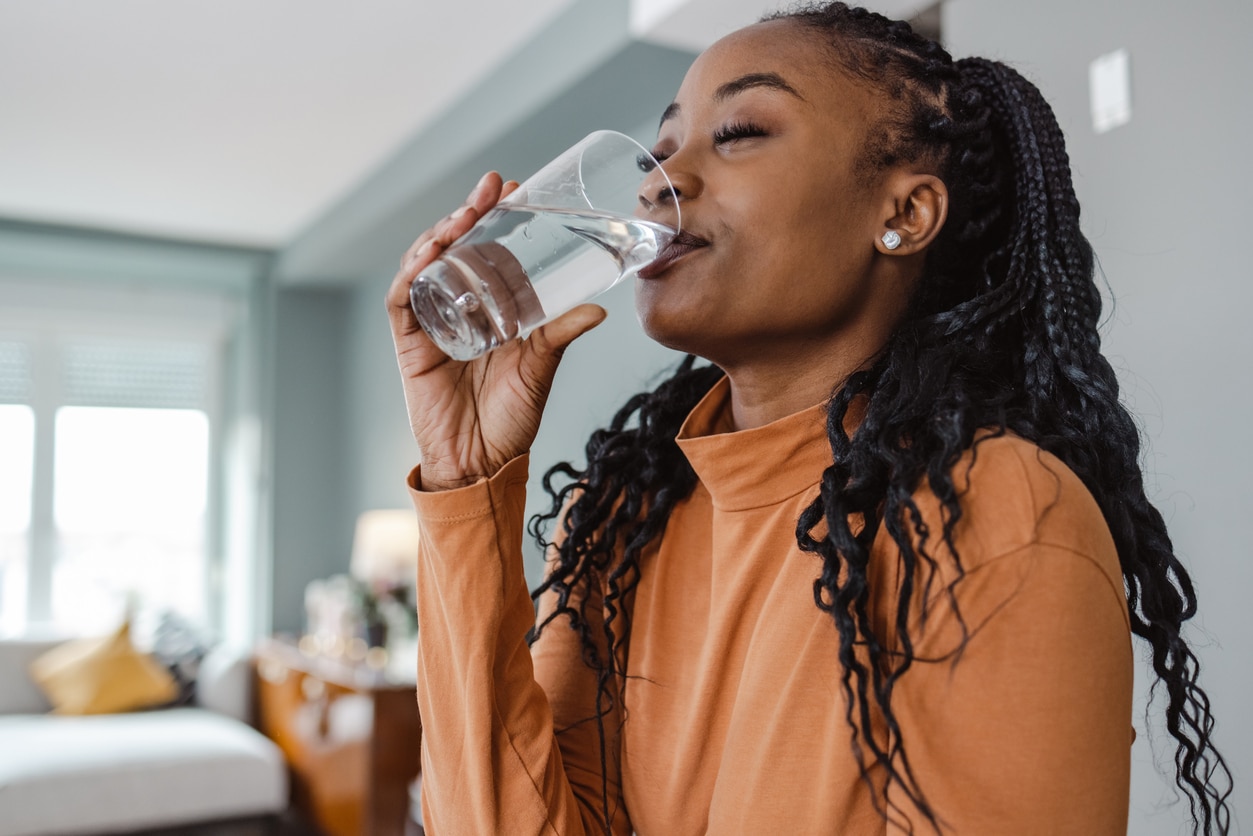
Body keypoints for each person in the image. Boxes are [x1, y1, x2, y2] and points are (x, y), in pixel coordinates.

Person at [385, 2, 1232, 833]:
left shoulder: (995, 513)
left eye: (741, 131)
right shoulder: (616, 522)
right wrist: (465, 483)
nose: (657, 180)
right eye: (664, 145)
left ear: (902, 215)